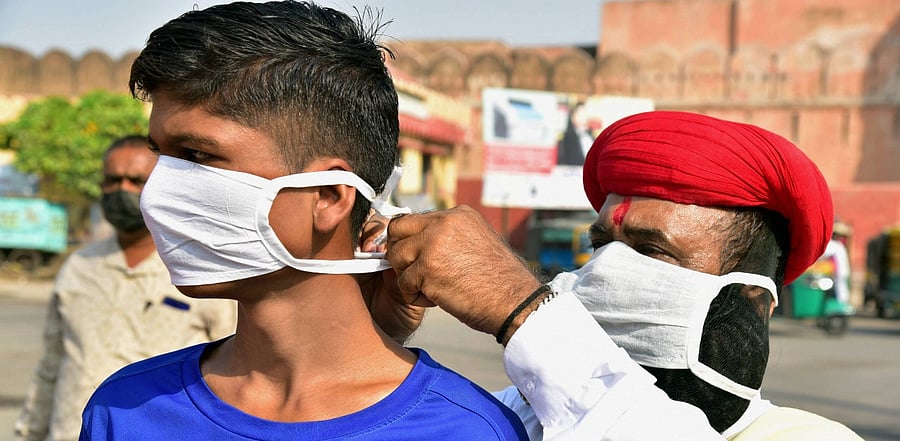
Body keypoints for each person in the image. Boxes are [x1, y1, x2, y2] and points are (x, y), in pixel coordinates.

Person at [79, 2, 527, 440]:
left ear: (329, 196)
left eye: (196, 155)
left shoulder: (465, 429)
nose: (158, 191)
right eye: (161, 156)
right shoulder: (124, 409)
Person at [378, 111, 863, 440]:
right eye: (602, 245)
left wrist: (521, 310)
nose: (606, 270)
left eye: (651, 250)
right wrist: (379, 347)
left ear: (752, 302)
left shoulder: (804, 435)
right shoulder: (516, 412)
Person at [15, 136, 237, 441]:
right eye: (113, 181)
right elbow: (51, 365)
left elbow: (234, 371)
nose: (122, 191)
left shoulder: (198, 270)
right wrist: (29, 432)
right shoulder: (79, 266)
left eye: (136, 181)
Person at [555, 102, 592, 166]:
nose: (584, 118)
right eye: (581, 115)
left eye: (585, 114)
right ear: (572, 117)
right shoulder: (566, 138)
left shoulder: (591, 136)